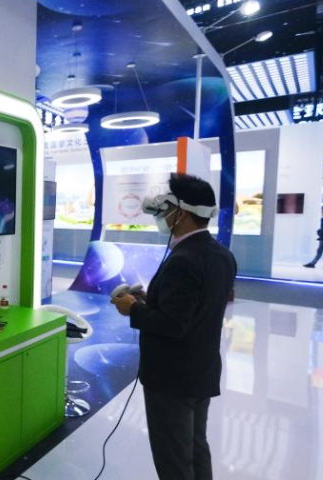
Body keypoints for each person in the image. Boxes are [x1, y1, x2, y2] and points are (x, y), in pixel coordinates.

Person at [111, 174, 237, 480]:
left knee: (174, 461)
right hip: (201, 371)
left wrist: (133, 309)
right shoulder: (222, 255)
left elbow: (174, 324)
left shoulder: (184, 259)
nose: (161, 217)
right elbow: (196, 306)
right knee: (195, 448)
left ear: (179, 212)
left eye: (165, 209)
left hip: (172, 379)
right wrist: (150, 298)